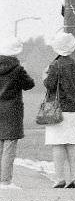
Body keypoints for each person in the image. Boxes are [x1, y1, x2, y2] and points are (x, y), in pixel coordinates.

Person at [44, 31, 75, 189]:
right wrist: (73, 96)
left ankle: (60, 178)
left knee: (58, 144)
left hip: (56, 109)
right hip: (73, 109)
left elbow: (49, 85)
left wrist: (45, 77)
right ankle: (74, 177)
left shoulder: (54, 65)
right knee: (71, 143)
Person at [0, 36, 35, 189]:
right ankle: (6, 181)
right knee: (9, 146)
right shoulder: (18, 69)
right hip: (12, 111)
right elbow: (29, 84)